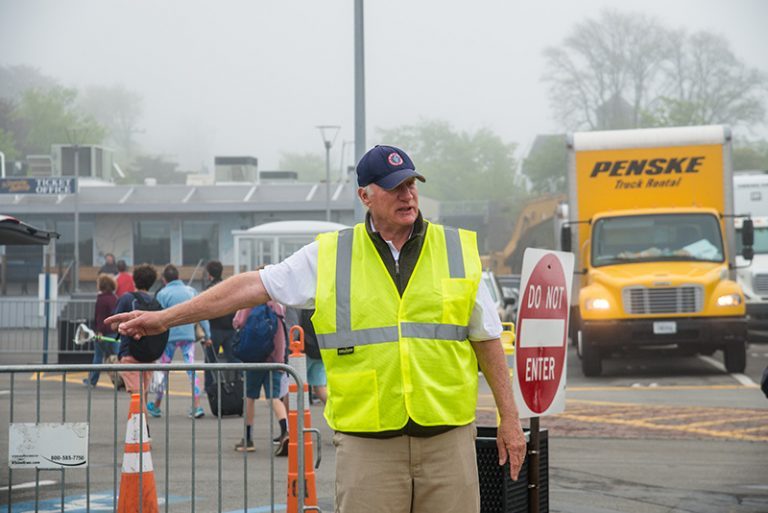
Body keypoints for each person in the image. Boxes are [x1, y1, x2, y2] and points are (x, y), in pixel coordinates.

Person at [107, 144, 526, 513]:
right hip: (368, 446)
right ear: (365, 195)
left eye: (411, 184)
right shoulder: (331, 255)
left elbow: (486, 339)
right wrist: (163, 318)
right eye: (395, 186)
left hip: (447, 443)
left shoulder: (455, 250)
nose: (408, 194)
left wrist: (510, 418)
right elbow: (251, 286)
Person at [147, 264, 212, 419]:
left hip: (168, 337)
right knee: (191, 370)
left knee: (163, 370)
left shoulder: (163, 293)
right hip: (188, 335)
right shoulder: (190, 291)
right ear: (178, 276)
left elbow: (157, 316)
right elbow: (202, 314)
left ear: (164, 279)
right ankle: (196, 406)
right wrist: (207, 335)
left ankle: (156, 405)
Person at [232, 299, 289, 454]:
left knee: (249, 397)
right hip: (275, 359)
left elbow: (238, 322)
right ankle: (285, 431)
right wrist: (281, 359)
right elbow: (281, 334)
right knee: (274, 398)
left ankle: (248, 438)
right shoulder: (278, 305)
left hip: (254, 358)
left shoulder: (251, 301)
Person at [115, 264, 159, 401]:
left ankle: (141, 422)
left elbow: (115, 324)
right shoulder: (154, 301)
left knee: (136, 396)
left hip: (130, 352)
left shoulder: (127, 298)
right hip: (149, 353)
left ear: (134, 280)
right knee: (143, 392)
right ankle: (143, 422)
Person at [286, 307, 327, 404]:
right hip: (319, 348)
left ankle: (290, 419)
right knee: (320, 387)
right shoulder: (316, 299)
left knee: (294, 387)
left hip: (301, 351)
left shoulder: (294, 302)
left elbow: (293, 328)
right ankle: (336, 414)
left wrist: (289, 348)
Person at [84, 273, 119, 387]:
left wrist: (98, 331)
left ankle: (93, 381)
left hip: (103, 333)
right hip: (114, 332)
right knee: (117, 358)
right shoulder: (115, 298)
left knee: (98, 356)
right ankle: (121, 381)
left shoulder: (101, 299)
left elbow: (100, 317)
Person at [204, 260, 237, 363]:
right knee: (233, 358)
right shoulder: (229, 286)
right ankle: (238, 378)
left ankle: (210, 380)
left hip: (214, 328)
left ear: (209, 274)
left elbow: (206, 309)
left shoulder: (210, 289)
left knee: (210, 360)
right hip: (230, 328)